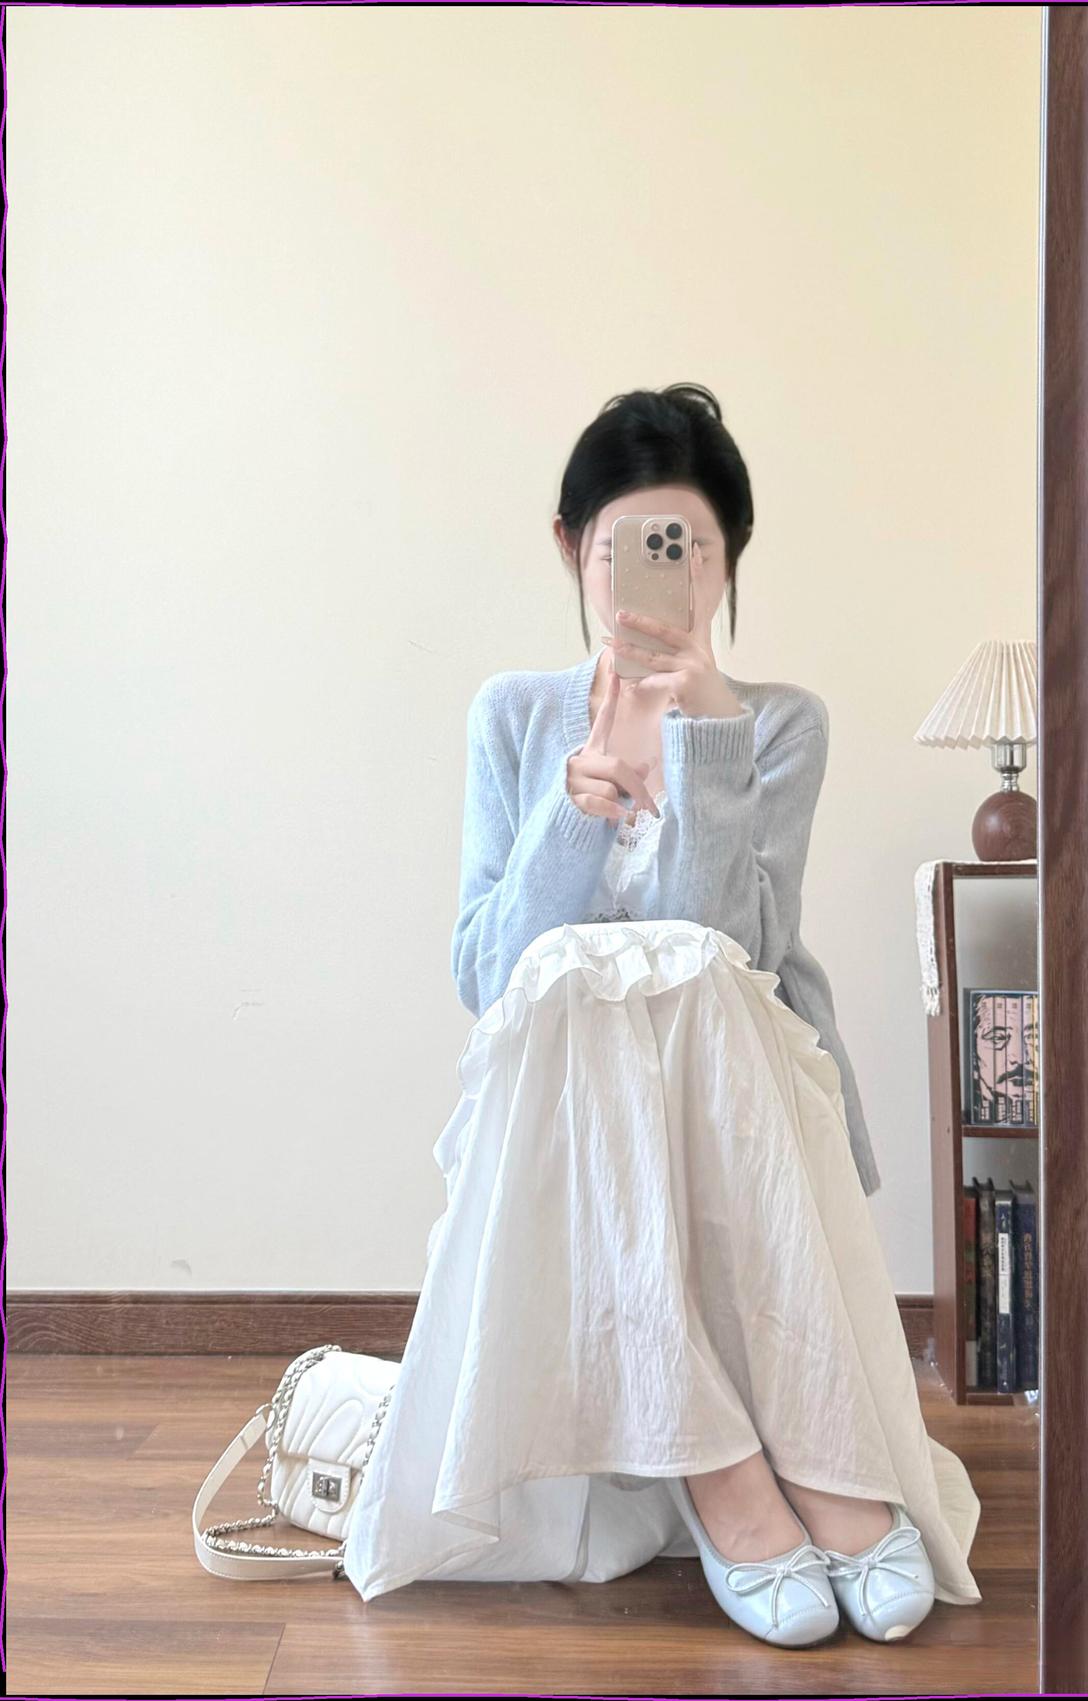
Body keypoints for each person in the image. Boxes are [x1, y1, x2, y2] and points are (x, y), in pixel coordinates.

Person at [340, 384, 983, 1646]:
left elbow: (736, 951)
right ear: (571, 550)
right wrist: (571, 811)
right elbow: (488, 973)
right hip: (564, 1096)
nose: (655, 578)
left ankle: (807, 1457)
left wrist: (706, 744)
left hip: (740, 1084)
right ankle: (721, 1466)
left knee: (678, 967)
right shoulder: (511, 716)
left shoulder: (777, 723)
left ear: (727, 560)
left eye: (685, 549)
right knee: (572, 984)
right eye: (621, 548)